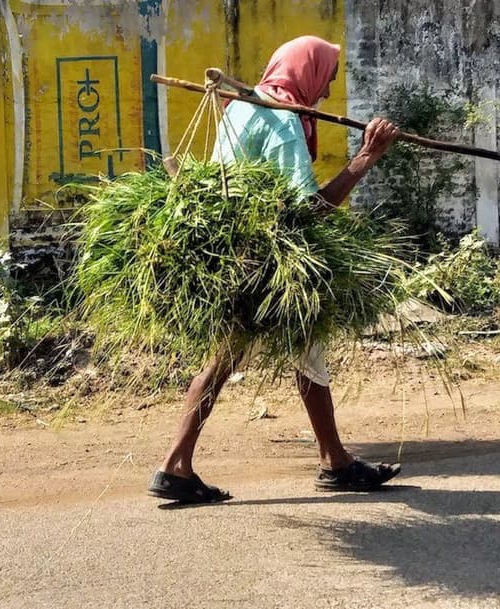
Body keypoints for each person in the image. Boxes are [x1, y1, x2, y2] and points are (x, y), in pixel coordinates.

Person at [147, 36, 402, 503]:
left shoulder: (238, 108)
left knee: (231, 356)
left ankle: (178, 464)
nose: (324, 94)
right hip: (271, 264)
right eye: (325, 79)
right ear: (306, 72)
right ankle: (334, 462)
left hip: (237, 253)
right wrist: (365, 160)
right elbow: (308, 213)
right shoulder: (284, 122)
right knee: (303, 351)